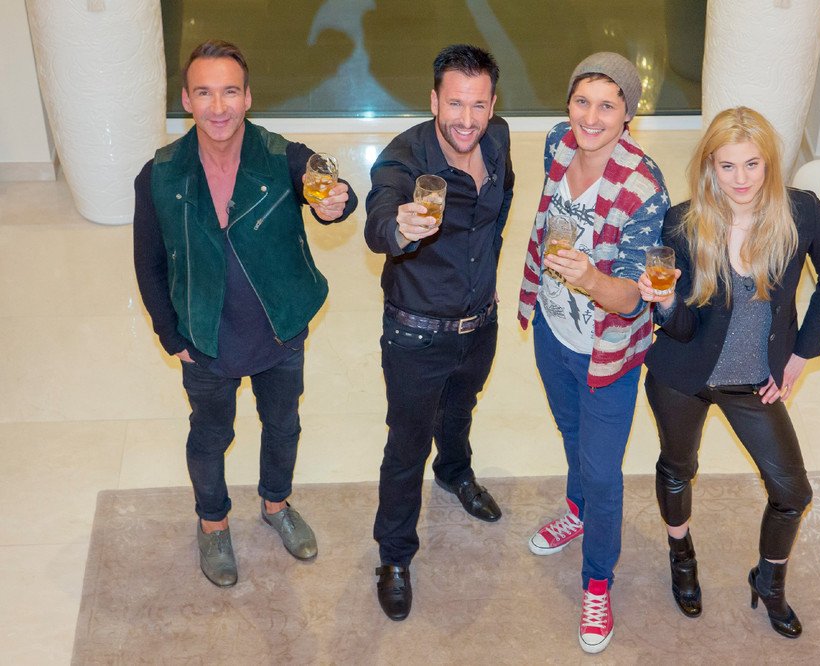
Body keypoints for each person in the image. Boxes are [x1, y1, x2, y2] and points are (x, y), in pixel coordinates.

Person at [133, 40, 357, 588]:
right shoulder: (159, 175)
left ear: (248, 97)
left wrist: (337, 202)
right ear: (187, 99)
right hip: (204, 336)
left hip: (280, 329)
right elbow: (148, 263)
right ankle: (213, 523)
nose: (218, 107)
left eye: (230, 91)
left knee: (283, 424)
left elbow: (333, 191)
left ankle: (276, 504)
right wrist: (171, 336)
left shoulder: (282, 156)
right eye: (205, 93)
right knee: (210, 435)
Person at [638, 106, 820, 638]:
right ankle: (681, 555)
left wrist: (801, 354)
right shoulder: (684, 222)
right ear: (710, 165)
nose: (740, 179)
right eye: (727, 166)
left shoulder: (801, 213)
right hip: (682, 375)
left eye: (752, 164)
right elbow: (683, 327)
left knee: (792, 493)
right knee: (678, 468)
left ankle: (769, 581)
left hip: (755, 382)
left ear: (769, 163)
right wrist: (665, 304)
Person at [517, 52, 668, 654]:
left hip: (608, 353)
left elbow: (631, 299)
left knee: (603, 472)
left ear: (629, 115)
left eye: (608, 105)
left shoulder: (643, 187)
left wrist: (589, 277)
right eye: (582, 101)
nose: (591, 117)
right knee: (572, 434)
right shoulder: (556, 143)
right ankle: (576, 511)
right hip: (553, 331)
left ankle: (598, 581)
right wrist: (551, 291)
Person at [364, 44, 514, 621]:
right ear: (433, 101)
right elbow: (380, 221)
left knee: (460, 410)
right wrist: (398, 229)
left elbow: (501, 204)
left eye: (478, 105)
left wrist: (487, 274)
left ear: (492, 105)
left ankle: (454, 473)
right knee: (406, 446)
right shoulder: (403, 159)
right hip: (417, 336)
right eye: (454, 104)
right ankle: (394, 557)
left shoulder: (497, 139)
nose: (466, 120)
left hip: (480, 323)